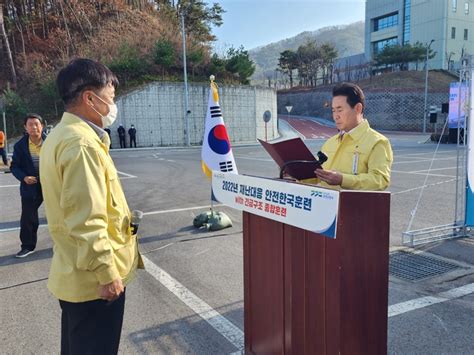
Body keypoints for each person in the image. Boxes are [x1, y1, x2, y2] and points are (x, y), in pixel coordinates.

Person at [40, 58, 142, 355]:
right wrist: (106, 273)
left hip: (75, 272)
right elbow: (86, 219)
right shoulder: (81, 145)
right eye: (110, 97)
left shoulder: (60, 135)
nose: (113, 105)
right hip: (94, 284)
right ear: (90, 98)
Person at [305, 82, 393, 191]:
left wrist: (343, 179)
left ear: (358, 108)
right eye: (333, 110)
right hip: (327, 206)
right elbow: (319, 176)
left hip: (354, 207)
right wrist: (296, 175)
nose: (335, 116)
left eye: (340, 110)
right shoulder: (330, 142)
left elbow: (380, 180)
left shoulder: (378, 142)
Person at [10, 114, 46, 258]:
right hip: (30, 186)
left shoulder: (52, 142)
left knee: (62, 214)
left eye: (36, 124)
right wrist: (24, 177)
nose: (34, 127)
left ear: (42, 126)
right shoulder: (20, 146)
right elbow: (14, 166)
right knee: (28, 217)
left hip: (51, 184)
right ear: (25, 127)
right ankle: (27, 246)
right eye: (30, 124)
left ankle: (67, 245)